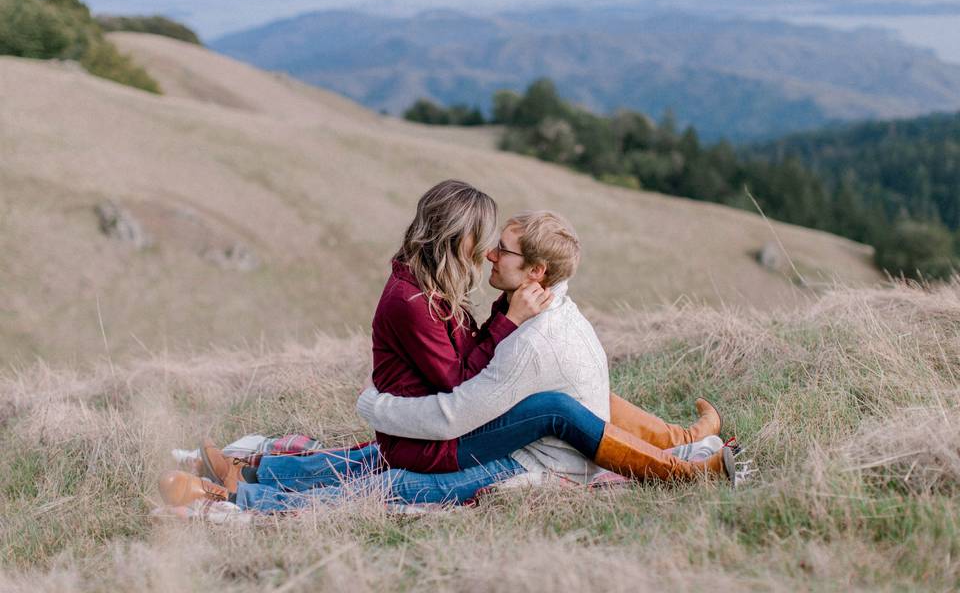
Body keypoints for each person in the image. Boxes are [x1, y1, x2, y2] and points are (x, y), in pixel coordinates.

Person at [158, 182, 731, 511]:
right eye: (483, 241)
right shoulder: (426, 302)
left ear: (534, 272)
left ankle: (250, 475)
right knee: (388, 481)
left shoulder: (467, 300)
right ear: (454, 238)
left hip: (450, 436)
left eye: (498, 248)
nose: (486, 254)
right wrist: (379, 406)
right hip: (434, 434)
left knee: (379, 470)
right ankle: (235, 491)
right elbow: (459, 393)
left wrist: (502, 320)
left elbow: (468, 382)